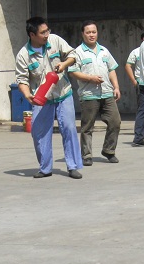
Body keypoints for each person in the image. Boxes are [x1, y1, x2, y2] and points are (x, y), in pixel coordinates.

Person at [14, 16, 82, 179]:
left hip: (63, 93)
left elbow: (73, 54)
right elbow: (22, 79)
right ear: (32, 35)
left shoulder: (55, 40)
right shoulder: (23, 55)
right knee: (39, 133)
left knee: (69, 128)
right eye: (43, 32)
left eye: (47, 31)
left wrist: (64, 64)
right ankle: (45, 168)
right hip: (42, 98)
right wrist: (27, 95)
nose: (46, 35)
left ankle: (72, 166)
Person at [68, 20, 122, 166]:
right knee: (87, 127)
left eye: (94, 32)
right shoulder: (77, 52)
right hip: (89, 94)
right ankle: (86, 155)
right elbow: (73, 72)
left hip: (107, 93)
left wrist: (116, 87)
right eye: (88, 32)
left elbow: (112, 69)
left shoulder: (104, 50)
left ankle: (109, 150)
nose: (91, 35)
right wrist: (90, 78)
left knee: (115, 122)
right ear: (83, 34)